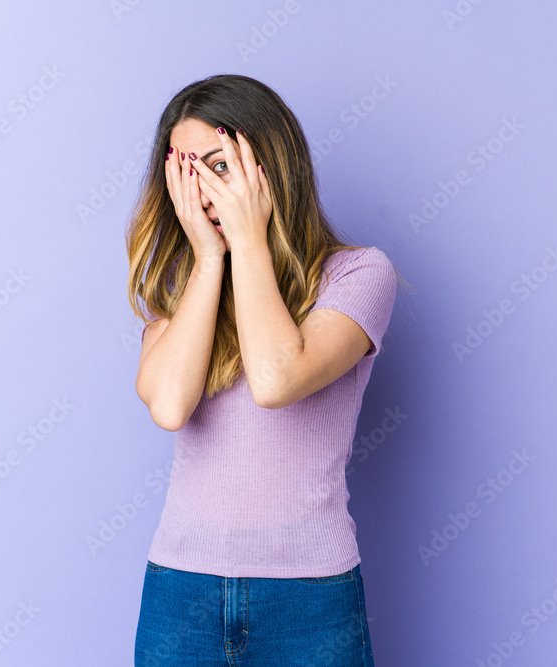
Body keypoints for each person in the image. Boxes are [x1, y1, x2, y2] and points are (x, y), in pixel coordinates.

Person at [125, 73, 405, 666]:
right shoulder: (182, 291)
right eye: (187, 173)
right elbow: (170, 405)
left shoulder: (358, 276)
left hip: (311, 600)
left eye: (220, 165)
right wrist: (207, 259)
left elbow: (278, 378)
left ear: (270, 161)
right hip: (182, 592)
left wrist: (249, 243)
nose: (206, 193)